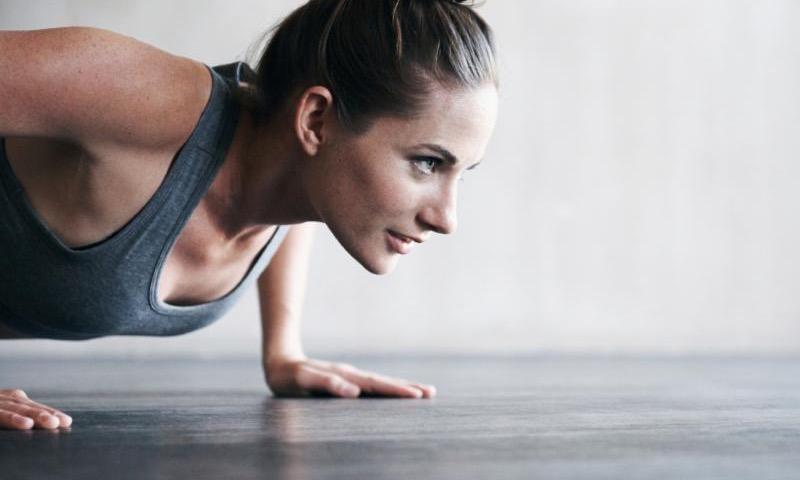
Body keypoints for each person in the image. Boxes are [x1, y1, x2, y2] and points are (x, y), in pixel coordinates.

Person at [0, 0, 498, 430]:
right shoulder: (148, 100)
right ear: (316, 120)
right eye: (427, 162)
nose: (446, 218)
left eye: (462, 172)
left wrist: (284, 352)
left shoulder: (292, 180)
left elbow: (296, 195)